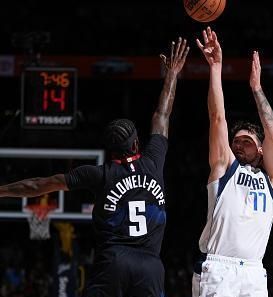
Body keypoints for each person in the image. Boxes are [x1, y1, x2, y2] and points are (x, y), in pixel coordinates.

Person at [0, 37, 190, 297]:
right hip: (150, 265)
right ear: (136, 144)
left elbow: (38, 184)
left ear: (110, 151)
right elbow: (162, 115)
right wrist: (172, 75)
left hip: (113, 261)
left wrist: (2, 191)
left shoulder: (98, 174)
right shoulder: (153, 160)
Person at [192, 27, 273, 297]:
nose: (239, 144)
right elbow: (217, 117)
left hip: (254, 272)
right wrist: (216, 68)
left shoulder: (271, 180)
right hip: (219, 268)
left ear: (261, 150)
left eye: (247, 141)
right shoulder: (225, 168)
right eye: (236, 141)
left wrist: (256, 89)